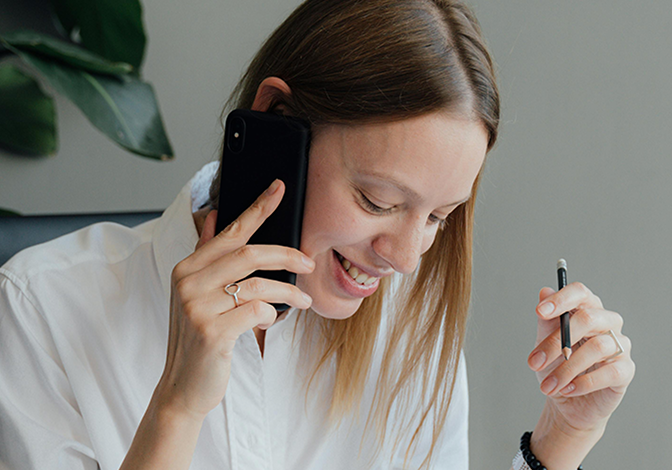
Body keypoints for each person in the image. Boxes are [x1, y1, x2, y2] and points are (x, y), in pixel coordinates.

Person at [0, 0, 635, 469]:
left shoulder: (405, 323)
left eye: (439, 217)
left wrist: (562, 440)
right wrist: (176, 408)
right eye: (377, 199)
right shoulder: (41, 309)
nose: (407, 260)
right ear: (278, 120)